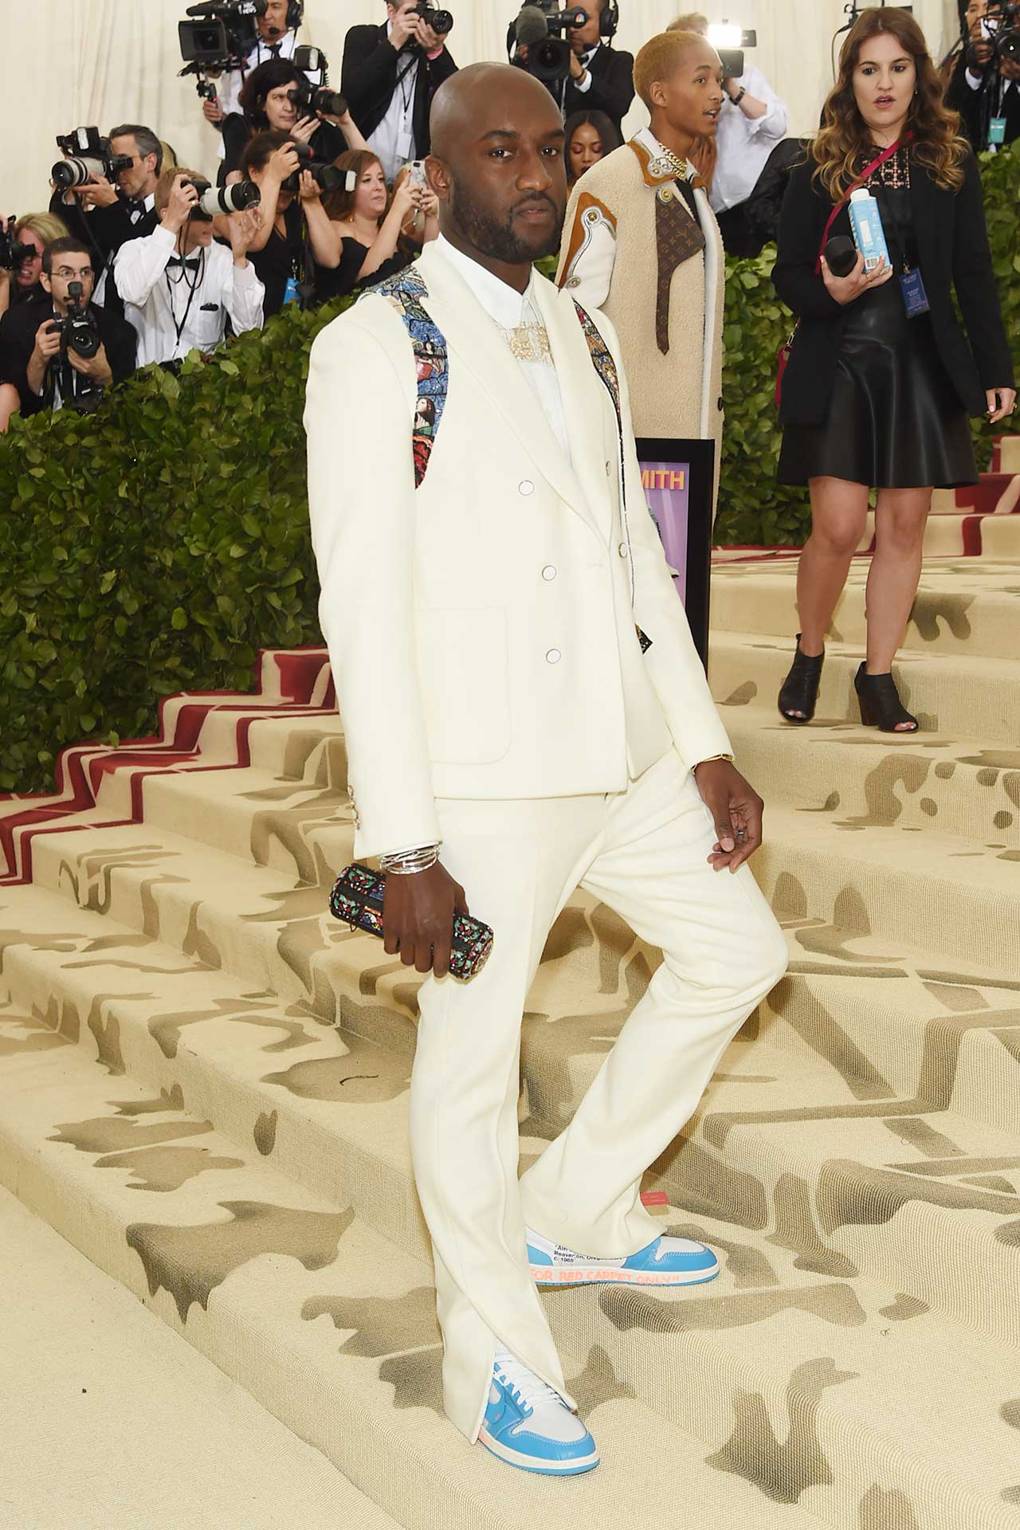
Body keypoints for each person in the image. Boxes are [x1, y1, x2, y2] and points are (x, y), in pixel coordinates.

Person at [305, 60, 786, 1478]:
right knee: (469, 1075)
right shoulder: (378, 347)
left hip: (618, 752)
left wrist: (702, 744)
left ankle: (573, 1204)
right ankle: (495, 1361)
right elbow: (362, 608)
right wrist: (403, 841)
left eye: (547, 151)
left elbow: (633, 555)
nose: (533, 175)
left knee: (740, 950)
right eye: (498, 154)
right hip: (484, 782)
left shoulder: (580, 325)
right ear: (438, 179)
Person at [773, 7, 1015, 733]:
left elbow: (973, 273)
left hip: (920, 363)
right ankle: (809, 651)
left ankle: (876, 676)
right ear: (849, 79)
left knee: (905, 527)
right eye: (869, 69)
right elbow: (788, 274)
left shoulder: (949, 162)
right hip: (840, 360)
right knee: (839, 526)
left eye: (898, 68)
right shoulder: (816, 165)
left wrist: (996, 368)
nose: (884, 84)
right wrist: (835, 293)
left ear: (919, 75)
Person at [557, 31, 726, 481]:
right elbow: (574, 319)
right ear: (660, 94)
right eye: (701, 80)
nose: (716, 93)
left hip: (692, 440)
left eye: (719, 79)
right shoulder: (608, 182)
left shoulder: (690, 185)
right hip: (633, 444)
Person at [114, 169, 264, 366]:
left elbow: (249, 330)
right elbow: (133, 292)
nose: (209, 221)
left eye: (210, 212)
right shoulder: (134, 251)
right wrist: (171, 224)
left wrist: (240, 257)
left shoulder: (221, 258)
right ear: (167, 213)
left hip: (203, 381)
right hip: (145, 380)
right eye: (199, 212)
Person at [0, 237, 136, 428]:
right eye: (66, 273)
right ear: (46, 281)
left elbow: (128, 411)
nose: (77, 282)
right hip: (36, 433)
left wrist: (105, 376)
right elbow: (17, 405)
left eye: (85, 273)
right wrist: (38, 361)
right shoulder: (18, 323)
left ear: (93, 280)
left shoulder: (118, 331)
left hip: (97, 434)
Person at [341, 0, 458, 183]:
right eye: (412, 12)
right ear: (391, 11)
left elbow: (456, 98)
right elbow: (350, 93)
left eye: (424, 11)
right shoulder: (364, 37)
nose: (419, 20)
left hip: (411, 181)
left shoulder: (427, 51)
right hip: (362, 177)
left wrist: (436, 52)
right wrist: (392, 44)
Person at [239, 132, 344, 315]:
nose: (286, 181)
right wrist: (273, 179)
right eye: (281, 171)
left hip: (293, 321)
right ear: (253, 172)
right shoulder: (234, 210)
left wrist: (312, 201)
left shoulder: (294, 211)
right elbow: (255, 240)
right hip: (250, 324)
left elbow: (331, 258)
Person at [314, 150, 433, 302]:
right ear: (347, 186)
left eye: (381, 179)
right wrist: (397, 211)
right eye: (366, 180)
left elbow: (430, 264)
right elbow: (369, 280)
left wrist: (432, 214)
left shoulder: (395, 234)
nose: (378, 187)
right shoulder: (336, 229)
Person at [222, 58, 367, 180]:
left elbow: (369, 173)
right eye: (279, 98)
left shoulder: (316, 131)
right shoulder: (242, 128)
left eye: (294, 98)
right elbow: (236, 185)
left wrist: (346, 123)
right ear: (262, 102)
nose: (289, 107)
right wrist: (290, 148)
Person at [945, 0, 1020, 150]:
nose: (980, 16)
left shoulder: (1013, 48)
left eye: (988, 8)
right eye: (973, 9)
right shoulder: (963, 59)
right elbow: (953, 113)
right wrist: (974, 73)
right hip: (976, 154)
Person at [560, 0, 635, 136]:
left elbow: (619, 104)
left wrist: (581, 76)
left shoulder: (619, 61)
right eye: (569, 17)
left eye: (581, 19)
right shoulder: (550, 59)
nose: (573, 28)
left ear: (605, 21)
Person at [0, 213, 67, 319]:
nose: (27, 260)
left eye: (35, 255)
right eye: (21, 250)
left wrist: (3, 280)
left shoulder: (52, 306)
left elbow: (7, 327)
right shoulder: (9, 287)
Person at [564, 109, 622, 184]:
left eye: (596, 149)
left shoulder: (622, 189)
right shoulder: (556, 189)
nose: (586, 158)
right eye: (577, 150)